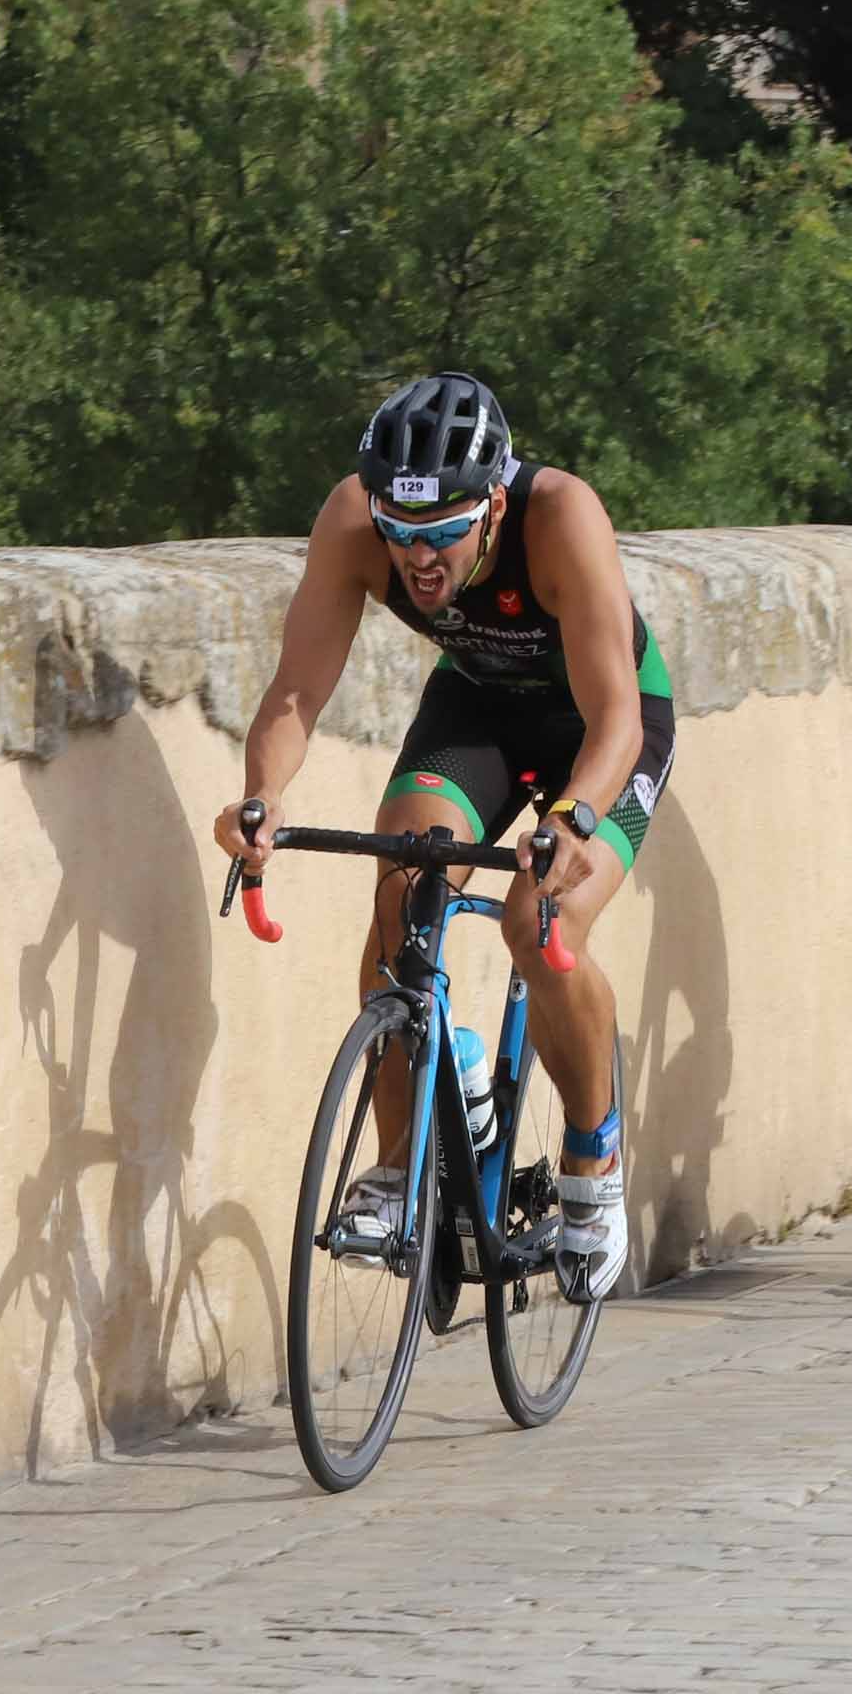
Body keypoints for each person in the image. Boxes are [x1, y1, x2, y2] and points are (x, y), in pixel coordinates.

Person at [212, 373, 666, 1302]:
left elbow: (617, 718)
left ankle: (594, 1154)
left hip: (602, 726)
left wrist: (575, 818)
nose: (419, 559)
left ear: (493, 505)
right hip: (478, 708)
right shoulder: (352, 521)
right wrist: (261, 796)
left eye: (444, 532)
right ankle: (396, 1168)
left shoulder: (561, 516)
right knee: (402, 884)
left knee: (540, 920)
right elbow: (296, 691)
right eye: (400, 530)